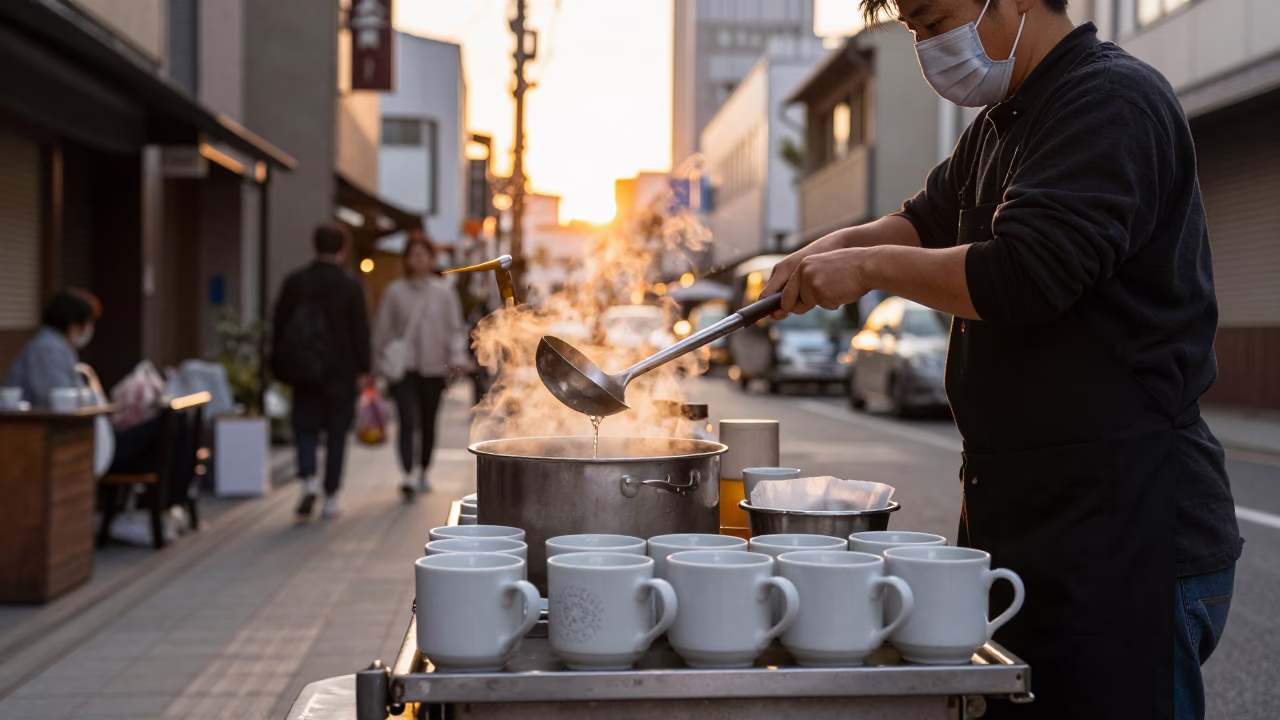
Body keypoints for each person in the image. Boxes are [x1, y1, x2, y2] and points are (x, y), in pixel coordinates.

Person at [761, 2, 1241, 718]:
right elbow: (923, 222)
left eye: (934, 19)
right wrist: (823, 251)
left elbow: (1025, 275)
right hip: (1030, 524)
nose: (929, 46)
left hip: (1128, 534)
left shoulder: (1110, 100)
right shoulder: (1001, 124)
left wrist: (864, 270)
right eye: (915, 31)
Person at [272, 222, 372, 519]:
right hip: (341, 371)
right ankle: (330, 496)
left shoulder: (296, 281)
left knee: (305, 428)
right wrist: (364, 369)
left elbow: (278, 326)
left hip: (304, 372)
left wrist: (278, 365)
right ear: (343, 249)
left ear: (315, 246)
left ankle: (309, 482)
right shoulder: (351, 286)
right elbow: (360, 331)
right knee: (337, 433)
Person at [373, 230, 469, 500]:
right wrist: (379, 363)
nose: (418, 260)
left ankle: (423, 469)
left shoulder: (444, 294)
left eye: (423, 255)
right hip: (403, 370)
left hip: (433, 368)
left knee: (428, 421)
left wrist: (456, 358)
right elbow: (382, 330)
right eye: (413, 255)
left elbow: (455, 329)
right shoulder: (394, 292)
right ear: (407, 259)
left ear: (432, 259)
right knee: (406, 420)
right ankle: (408, 473)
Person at [4, 289, 99, 407]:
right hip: (33, 423)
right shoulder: (46, 348)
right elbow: (60, 398)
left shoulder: (59, 346)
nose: (87, 330)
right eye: (85, 323)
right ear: (72, 324)